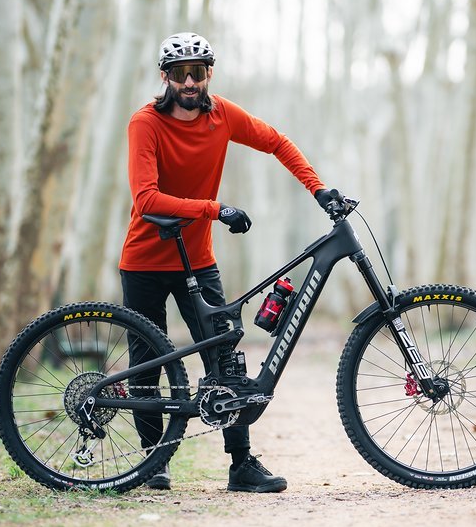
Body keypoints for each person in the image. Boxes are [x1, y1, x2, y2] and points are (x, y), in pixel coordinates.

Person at [119, 31, 338, 493]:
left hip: (197, 259)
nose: (190, 82)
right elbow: (145, 197)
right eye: (180, 73)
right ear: (166, 78)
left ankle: (241, 463)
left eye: (198, 72)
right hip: (144, 261)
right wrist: (215, 210)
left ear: (208, 75)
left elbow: (278, 142)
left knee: (223, 357)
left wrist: (318, 190)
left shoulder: (223, 116)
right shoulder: (146, 123)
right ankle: (152, 464)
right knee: (147, 364)